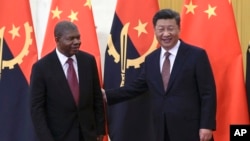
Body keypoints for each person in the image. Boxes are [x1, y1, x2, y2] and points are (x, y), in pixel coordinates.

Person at [103, 9, 216, 141]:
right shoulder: (151, 59)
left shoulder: (196, 55)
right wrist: (107, 94)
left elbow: (208, 93)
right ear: (155, 30)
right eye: (161, 29)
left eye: (170, 29)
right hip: (161, 129)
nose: (166, 33)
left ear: (179, 29)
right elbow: (137, 87)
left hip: (191, 129)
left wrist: (206, 126)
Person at [30, 21, 106, 141]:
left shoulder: (88, 61)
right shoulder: (41, 68)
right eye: (71, 39)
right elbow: (37, 109)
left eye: (78, 37)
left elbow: (97, 98)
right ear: (57, 39)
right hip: (58, 136)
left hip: (88, 135)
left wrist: (100, 131)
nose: (77, 42)